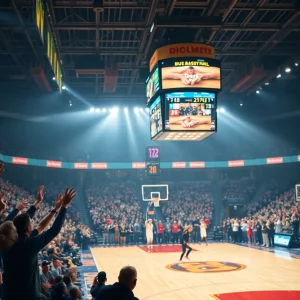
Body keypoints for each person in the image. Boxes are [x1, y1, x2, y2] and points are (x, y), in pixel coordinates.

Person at [1, 187, 76, 300]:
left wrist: (55, 209)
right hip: (28, 296)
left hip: (8, 295)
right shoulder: (30, 244)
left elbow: (40, 226)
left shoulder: (6, 242)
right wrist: (64, 207)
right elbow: (54, 229)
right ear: (29, 229)